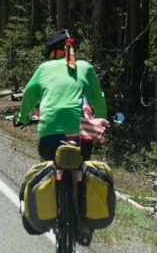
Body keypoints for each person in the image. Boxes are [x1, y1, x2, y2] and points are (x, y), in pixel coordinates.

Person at [15, 29, 107, 162]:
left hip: (50, 135)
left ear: (51, 52)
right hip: (82, 136)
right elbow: (99, 99)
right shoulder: (86, 67)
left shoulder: (45, 68)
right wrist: (101, 120)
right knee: (83, 169)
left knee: (45, 168)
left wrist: (23, 118)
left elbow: (29, 95)